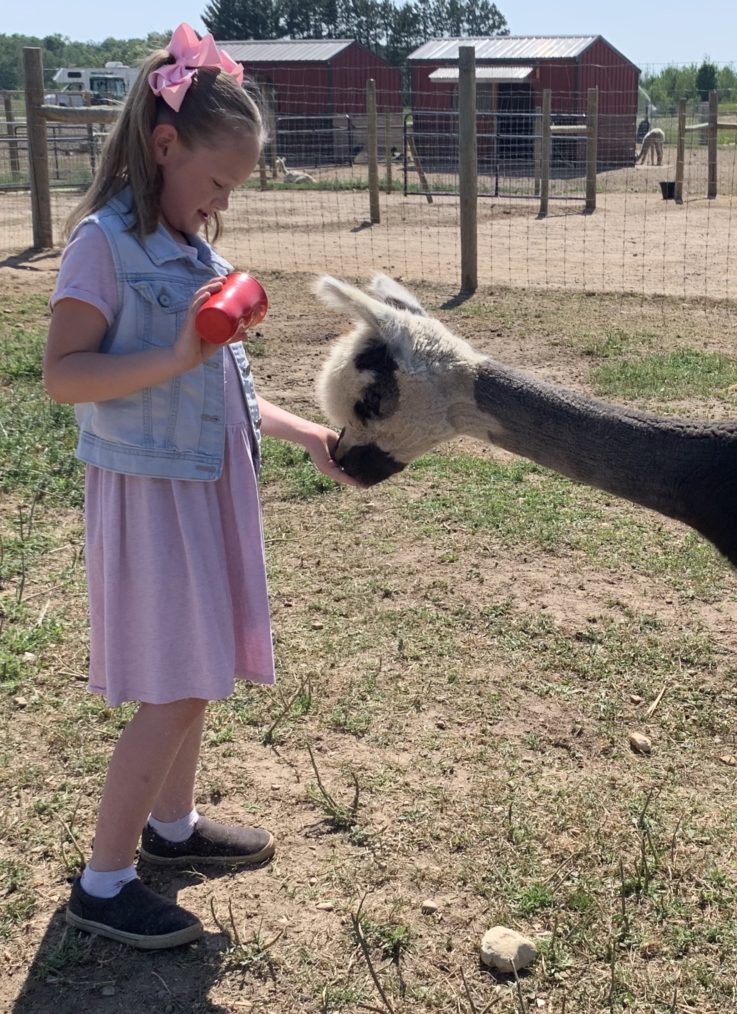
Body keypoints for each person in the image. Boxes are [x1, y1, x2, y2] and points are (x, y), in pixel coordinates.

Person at [43, 23, 354, 949]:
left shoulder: (198, 256)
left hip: (210, 484)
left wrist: (304, 437)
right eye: (218, 182)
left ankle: (171, 833)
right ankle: (104, 885)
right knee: (176, 683)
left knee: (202, 665)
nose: (223, 202)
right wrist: (177, 348)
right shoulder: (105, 247)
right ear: (166, 143)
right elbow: (65, 373)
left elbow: (227, 389)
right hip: (151, 496)